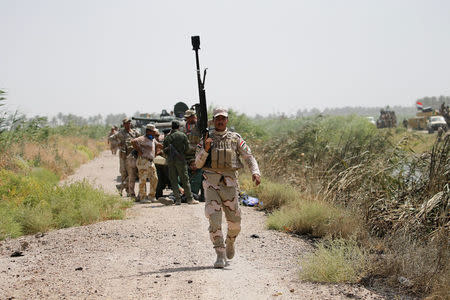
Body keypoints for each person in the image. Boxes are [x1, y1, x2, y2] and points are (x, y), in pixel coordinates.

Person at [195, 108, 261, 268]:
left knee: (235, 223)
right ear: (213, 120)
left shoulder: (235, 138)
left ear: (227, 120)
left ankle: (230, 241)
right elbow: (197, 164)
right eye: (217, 118)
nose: (220, 121)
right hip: (211, 184)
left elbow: (249, 157)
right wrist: (206, 149)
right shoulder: (206, 138)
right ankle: (219, 253)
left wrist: (255, 172)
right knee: (214, 220)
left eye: (223, 118)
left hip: (230, 185)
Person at [162, 120, 199, 205]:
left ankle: (178, 200)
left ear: (172, 127)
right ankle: (190, 199)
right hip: (181, 160)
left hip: (171, 161)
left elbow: (164, 150)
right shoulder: (182, 135)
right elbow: (187, 148)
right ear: (178, 127)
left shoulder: (167, 137)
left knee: (174, 180)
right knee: (185, 179)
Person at [131, 124, 160, 203]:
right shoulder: (142, 138)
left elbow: (157, 145)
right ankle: (142, 197)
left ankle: (151, 196)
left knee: (155, 178)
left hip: (150, 161)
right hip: (143, 161)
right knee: (143, 179)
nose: (154, 133)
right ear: (148, 131)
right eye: (153, 131)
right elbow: (133, 141)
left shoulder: (153, 139)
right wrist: (139, 150)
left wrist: (157, 151)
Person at [111, 118, 139, 197]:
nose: (128, 124)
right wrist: (118, 143)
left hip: (133, 156)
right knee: (124, 174)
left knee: (132, 174)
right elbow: (111, 138)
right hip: (123, 156)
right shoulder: (120, 133)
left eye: (129, 123)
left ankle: (123, 188)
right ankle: (127, 191)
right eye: (126, 123)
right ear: (123, 124)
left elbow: (140, 139)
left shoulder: (135, 132)